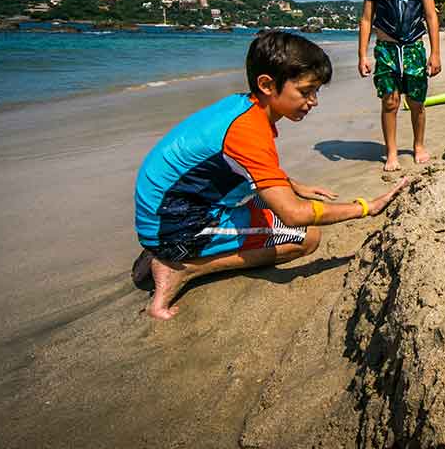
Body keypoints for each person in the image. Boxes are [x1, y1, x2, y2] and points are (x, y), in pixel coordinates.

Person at [132, 30, 410, 320]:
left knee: (283, 206)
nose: (313, 101)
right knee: (306, 237)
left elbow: (233, 165)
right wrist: (366, 208)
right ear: (267, 84)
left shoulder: (243, 107)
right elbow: (293, 215)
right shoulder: (248, 132)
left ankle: (177, 251)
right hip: (175, 223)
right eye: (305, 92)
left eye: (316, 92)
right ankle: (183, 266)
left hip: (167, 210)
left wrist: (293, 184)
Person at [358, 0, 441, 171]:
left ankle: (418, 144)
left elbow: (431, 17)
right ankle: (391, 151)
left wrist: (435, 53)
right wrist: (362, 54)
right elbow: (366, 20)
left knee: (416, 101)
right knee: (390, 102)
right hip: (387, 50)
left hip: (414, 48)